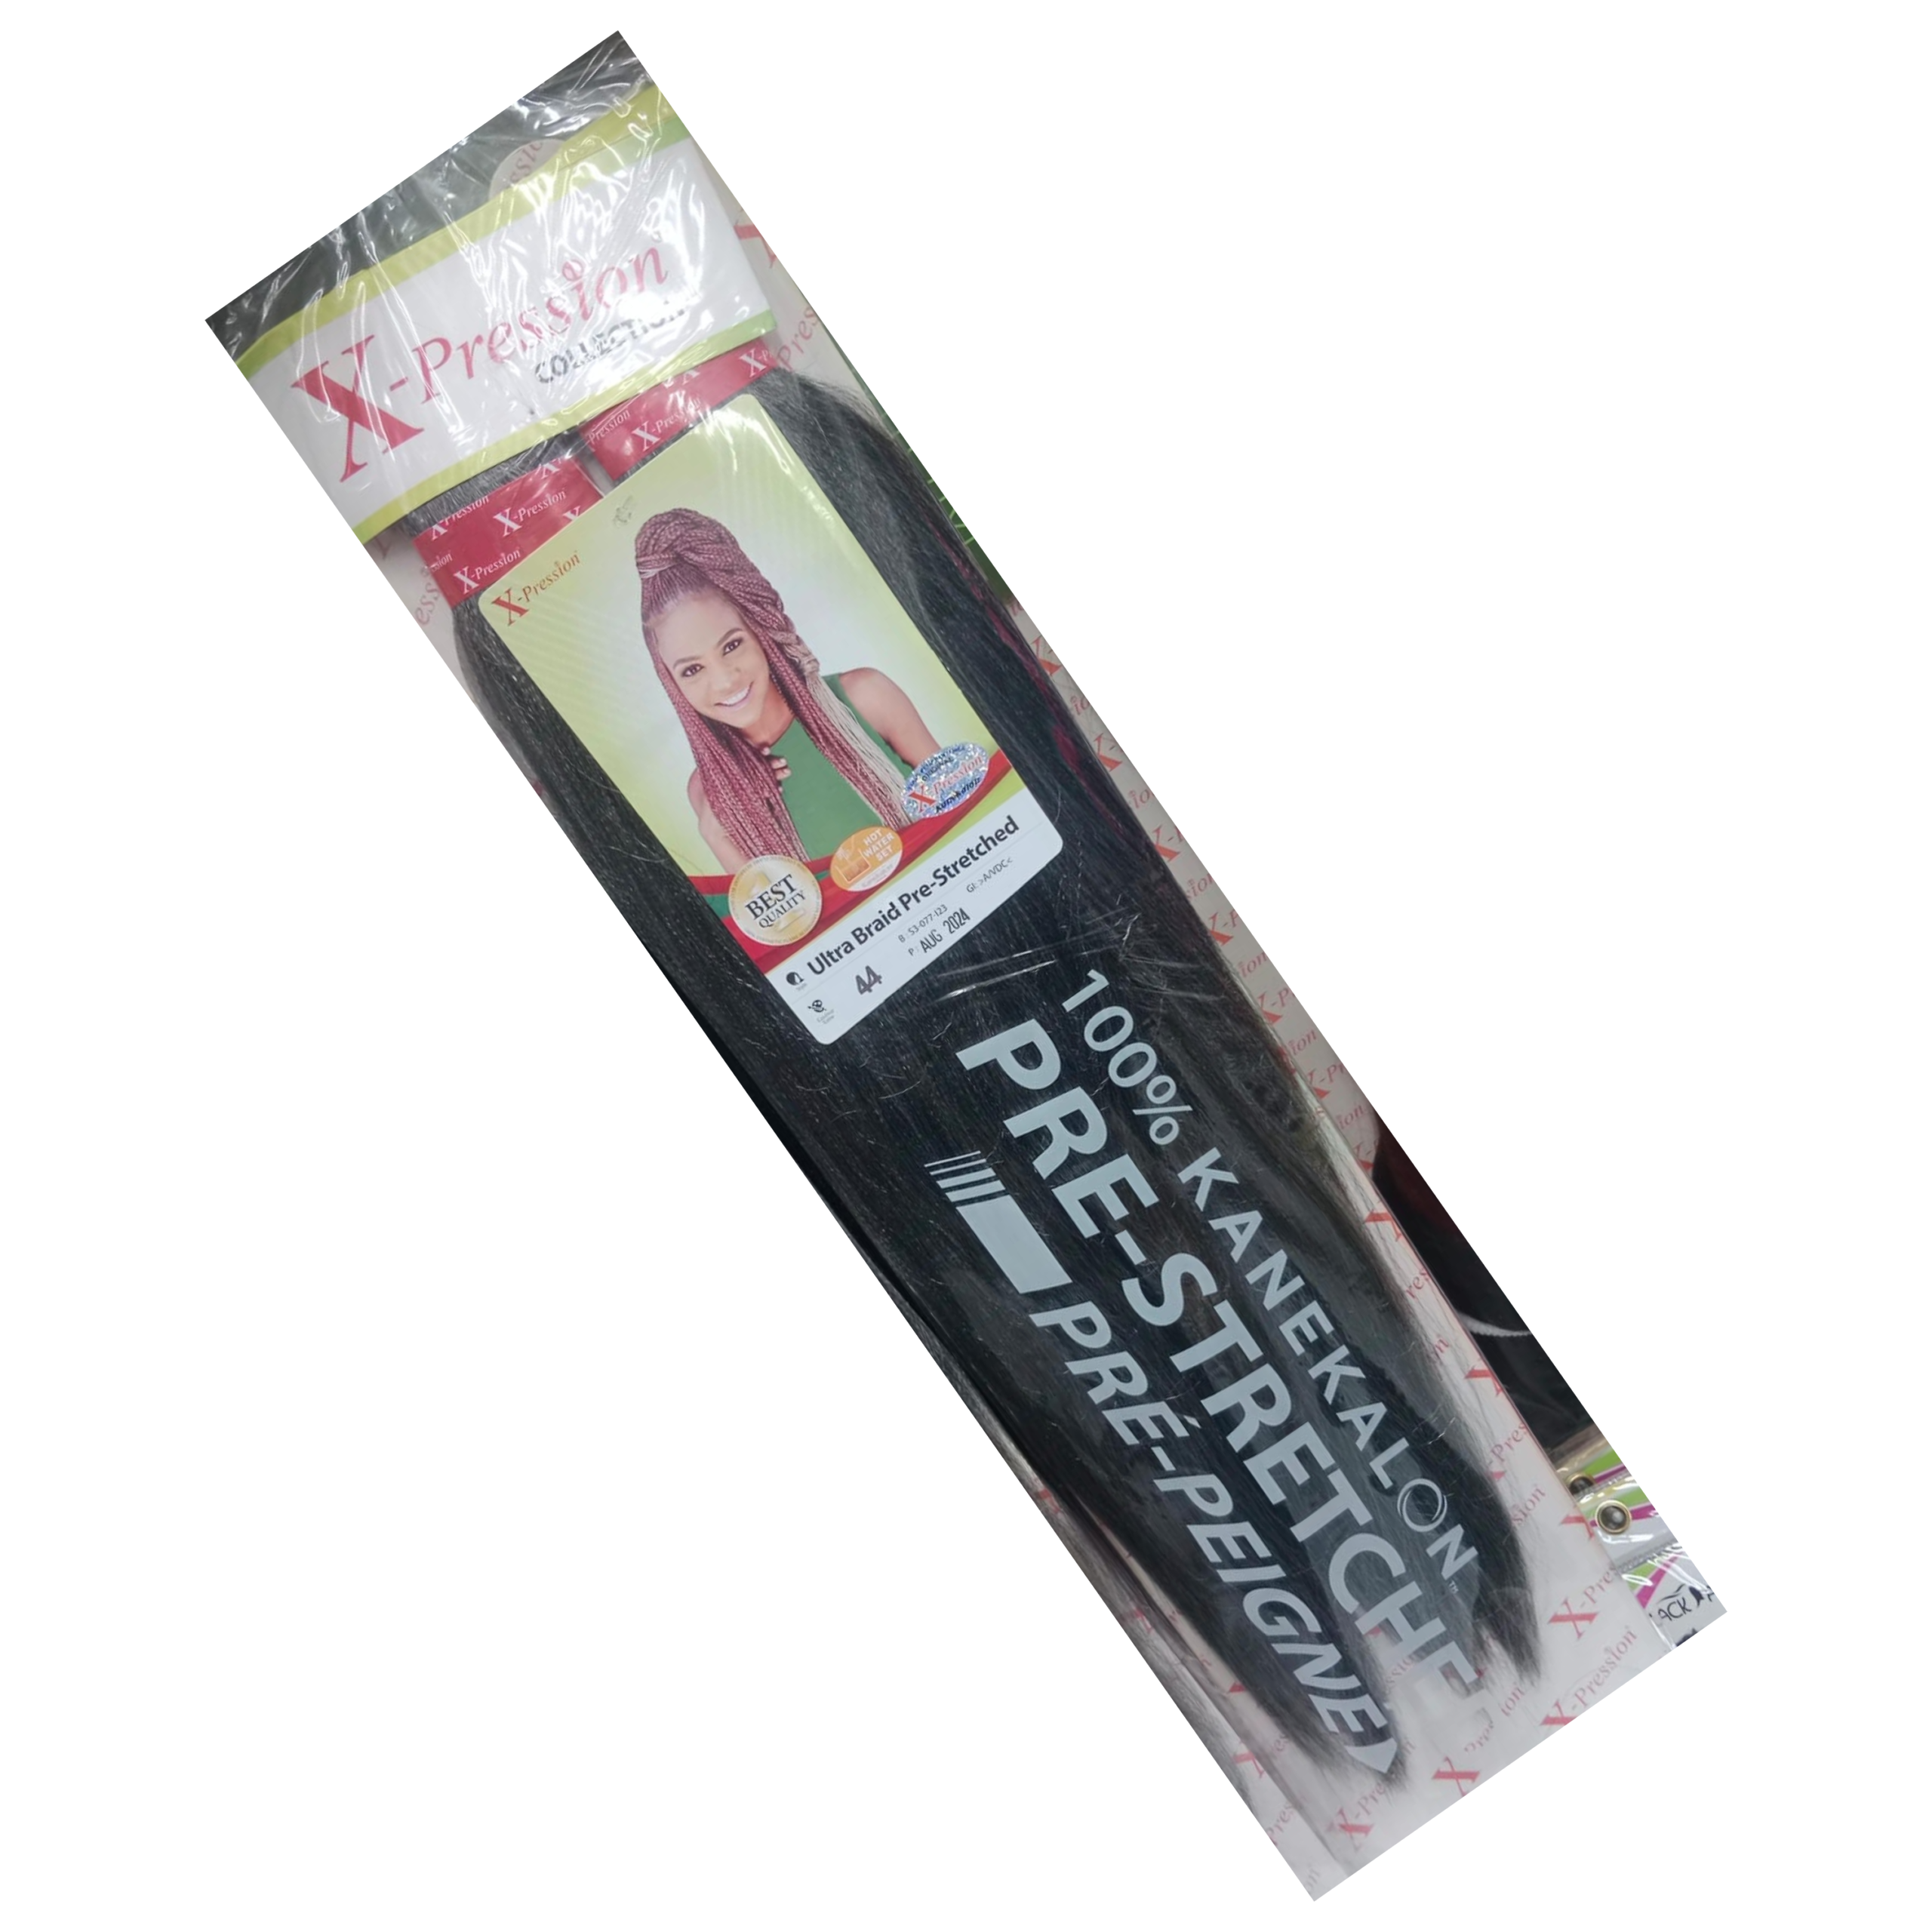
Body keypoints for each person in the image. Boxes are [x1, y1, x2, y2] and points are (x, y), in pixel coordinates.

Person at [635, 507, 940, 871]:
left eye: (732, 645)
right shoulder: (707, 792)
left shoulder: (864, 697)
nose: (725, 681)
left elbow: (965, 801)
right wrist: (716, 836)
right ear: (671, 682)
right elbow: (777, 907)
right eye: (692, 669)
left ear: (760, 630)